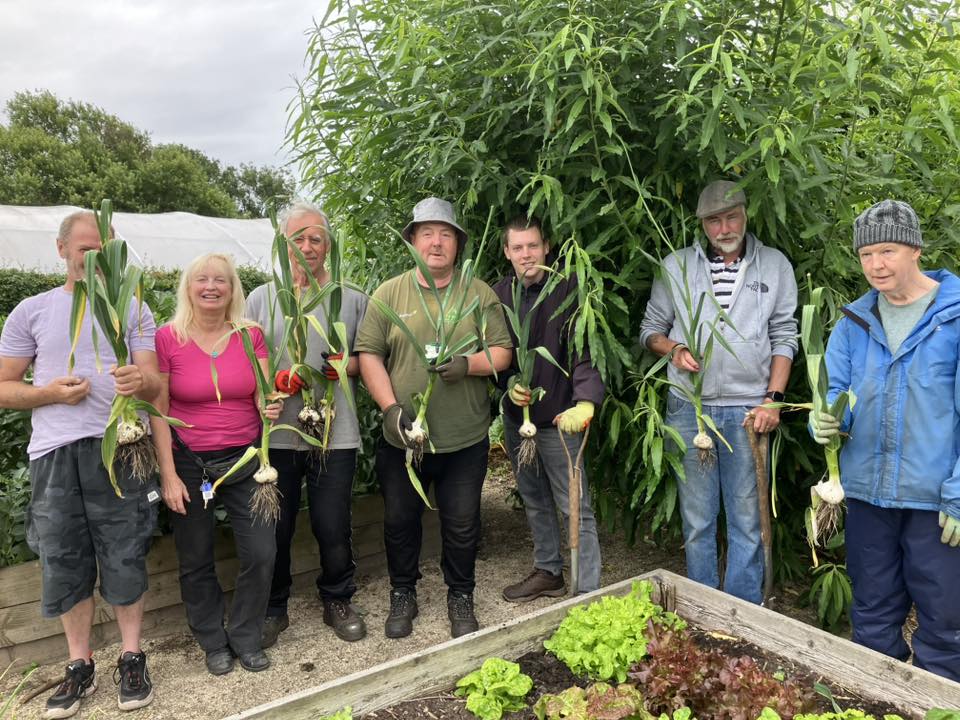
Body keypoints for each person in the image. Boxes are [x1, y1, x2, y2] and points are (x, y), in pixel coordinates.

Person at [0, 210, 160, 717]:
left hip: (124, 446)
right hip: (55, 454)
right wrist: (48, 393)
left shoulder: (132, 309)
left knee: (124, 551)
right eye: (84, 248)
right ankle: (79, 665)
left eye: (103, 249)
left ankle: (132, 656)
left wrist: (140, 383)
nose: (93, 258)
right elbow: (3, 388)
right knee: (64, 559)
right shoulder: (32, 310)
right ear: (62, 249)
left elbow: (156, 384)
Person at [810, 200, 960, 682]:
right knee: (872, 612)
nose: (876, 264)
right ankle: (878, 700)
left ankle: (940, 705)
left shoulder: (953, 317)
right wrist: (829, 419)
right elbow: (836, 390)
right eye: (866, 254)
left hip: (934, 498)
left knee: (946, 619)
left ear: (915, 248)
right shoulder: (854, 320)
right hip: (867, 493)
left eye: (888, 250)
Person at [356, 197, 513, 639]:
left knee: (463, 524)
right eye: (427, 233)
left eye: (446, 234)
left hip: (464, 438)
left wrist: (470, 364)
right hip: (404, 440)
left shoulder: (478, 293)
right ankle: (402, 593)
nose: (436, 242)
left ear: (458, 244)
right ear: (412, 242)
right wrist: (389, 410)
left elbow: (503, 351)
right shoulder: (389, 293)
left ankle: (460, 595)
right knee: (399, 522)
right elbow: (368, 354)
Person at [639, 180, 798, 604]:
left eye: (731, 217)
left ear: (746, 215)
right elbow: (650, 330)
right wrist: (674, 349)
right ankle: (704, 606)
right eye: (713, 220)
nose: (724, 228)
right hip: (691, 410)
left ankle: (743, 610)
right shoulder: (676, 266)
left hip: (749, 410)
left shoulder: (774, 266)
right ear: (701, 224)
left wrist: (773, 400)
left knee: (747, 519)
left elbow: (785, 336)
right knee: (698, 519)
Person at [150, 252, 281, 676]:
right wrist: (168, 474)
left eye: (220, 280)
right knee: (195, 556)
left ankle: (245, 634)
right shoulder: (168, 338)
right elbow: (159, 408)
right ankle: (211, 639)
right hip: (190, 461)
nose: (211, 287)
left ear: (232, 288)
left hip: (245, 459)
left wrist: (271, 405)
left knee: (262, 551)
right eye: (202, 279)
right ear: (188, 287)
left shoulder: (250, 334)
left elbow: (261, 393)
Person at [246, 202, 369, 646]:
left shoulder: (351, 299)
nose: (307, 246)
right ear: (283, 244)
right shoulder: (261, 299)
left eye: (317, 238)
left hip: (335, 432)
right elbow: (247, 362)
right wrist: (272, 381)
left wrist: (346, 365)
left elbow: (373, 357)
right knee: (275, 525)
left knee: (331, 522)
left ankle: (337, 597)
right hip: (278, 434)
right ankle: (274, 606)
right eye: (298, 237)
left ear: (329, 247)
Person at [492, 215, 605, 599]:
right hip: (518, 421)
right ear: (507, 252)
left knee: (575, 505)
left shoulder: (567, 289)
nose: (527, 255)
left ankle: (586, 590)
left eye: (533, 246)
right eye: (518, 248)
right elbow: (491, 355)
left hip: (561, 420)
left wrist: (586, 400)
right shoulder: (498, 296)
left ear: (547, 248)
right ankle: (548, 571)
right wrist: (506, 385)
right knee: (534, 498)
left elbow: (585, 349)